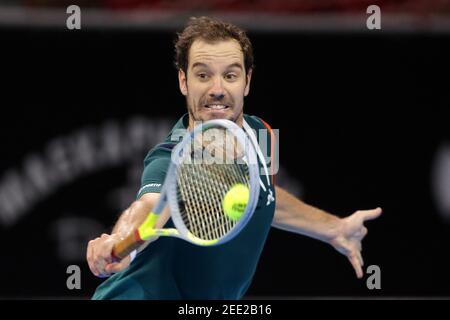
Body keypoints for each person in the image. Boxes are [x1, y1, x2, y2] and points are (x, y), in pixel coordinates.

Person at [87, 16, 382, 300]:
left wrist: (333, 227)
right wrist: (118, 241)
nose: (217, 90)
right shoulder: (169, 159)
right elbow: (148, 206)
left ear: (247, 81)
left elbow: (264, 197)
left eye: (230, 75)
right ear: (183, 81)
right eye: (203, 75)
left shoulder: (261, 133)